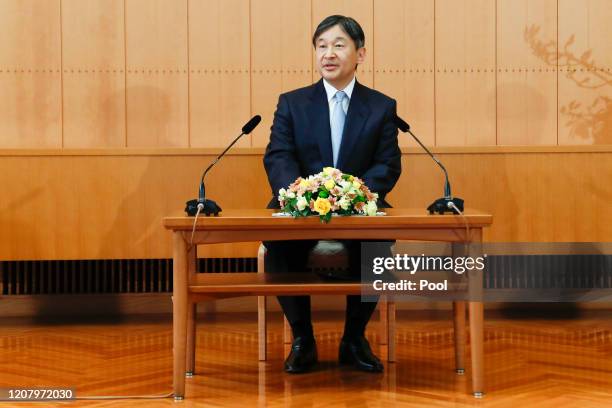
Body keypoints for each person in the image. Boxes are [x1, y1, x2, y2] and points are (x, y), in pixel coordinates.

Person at [262, 15, 401, 374]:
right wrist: (299, 194)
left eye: (339, 45)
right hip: (301, 208)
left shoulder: (381, 106)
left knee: (379, 244)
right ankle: (302, 339)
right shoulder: (292, 103)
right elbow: (279, 155)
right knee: (278, 240)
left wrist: (353, 195)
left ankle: (354, 339)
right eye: (322, 46)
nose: (329, 54)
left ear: (360, 54)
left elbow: (387, 164)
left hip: (359, 208)